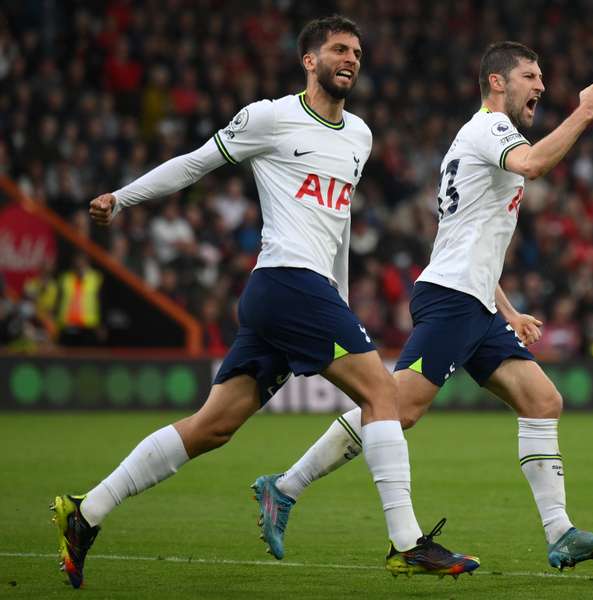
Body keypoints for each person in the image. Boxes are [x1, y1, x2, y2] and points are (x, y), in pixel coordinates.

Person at [51, 15, 478, 589]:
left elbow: (340, 225)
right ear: (309, 60)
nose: (350, 58)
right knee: (383, 393)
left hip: (306, 294)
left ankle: (86, 512)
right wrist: (122, 199)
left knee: (213, 425)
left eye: (357, 51)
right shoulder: (270, 116)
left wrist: (342, 300)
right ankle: (407, 543)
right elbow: (196, 162)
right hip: (283, 281)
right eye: (338, 50)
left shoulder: (360, 136)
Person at [256, 41, 593, 572]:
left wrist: (508, 310)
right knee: (396, 407)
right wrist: (586, 111)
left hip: (473, 300)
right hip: (453, 299)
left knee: (542, 401)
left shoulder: (481, 137)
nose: (541, 85)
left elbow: (468, 237)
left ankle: (560, 532)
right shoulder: (491, 128)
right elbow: (536, 164)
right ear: (498, 82)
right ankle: (285, 487)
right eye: (531, 74)